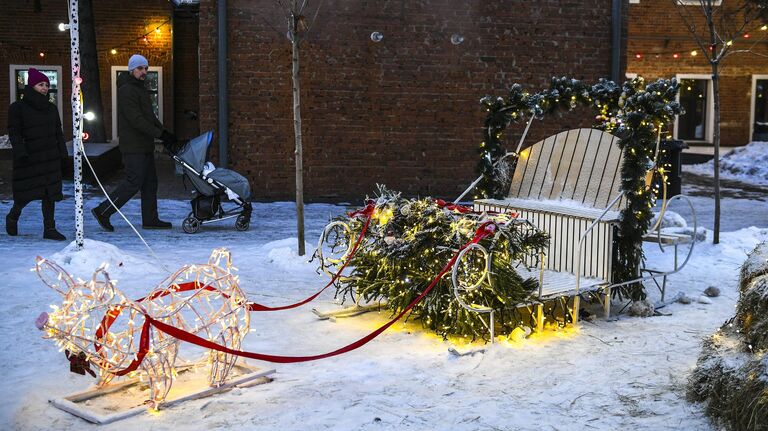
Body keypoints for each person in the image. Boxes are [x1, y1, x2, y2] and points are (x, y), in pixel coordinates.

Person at [91, 54, 176, 231]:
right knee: (133, 182)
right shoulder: (127, 90)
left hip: (144, 144)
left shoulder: (140, 89)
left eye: (146, 68)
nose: (144, 72)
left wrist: (164, 133)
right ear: (131, 70)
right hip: (133, 146)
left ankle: (150, 219)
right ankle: (103, 211)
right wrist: (159, 134)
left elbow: (149, 117)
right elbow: (136, 120)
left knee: (150, 182)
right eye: (140, 68)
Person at [6, 68, 68, 241]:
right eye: (41, 84)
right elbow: (14, 132)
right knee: (26, 193)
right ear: (31, 85)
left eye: (47, 85)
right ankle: (13, 215)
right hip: (30, 157)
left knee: (49, 194)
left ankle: (49, 228)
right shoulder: (17, 108)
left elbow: (58, 132)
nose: (45, 88)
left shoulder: (51, 108)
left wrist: (63, 154)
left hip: (49, 157)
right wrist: (20, 152)